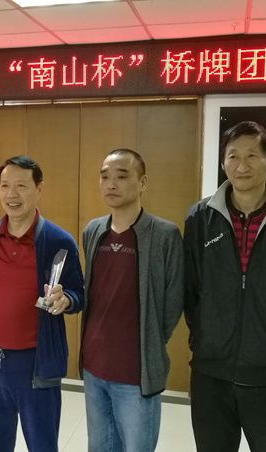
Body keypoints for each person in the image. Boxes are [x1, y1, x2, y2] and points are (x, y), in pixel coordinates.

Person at [183, 121, 266, 452]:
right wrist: (207, 340)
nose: (241, 165)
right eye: (233, 156)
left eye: (252, 155)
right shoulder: (200, 217)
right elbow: (191, 292)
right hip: (211, 375)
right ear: (223, 162)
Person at [0, 155, 84, 452]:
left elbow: (78, 294)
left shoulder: (58, 241)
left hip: (36, 364)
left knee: (42, 444)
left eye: (21, 186)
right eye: (5, 185)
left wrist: (66, 299)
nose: (12, 194)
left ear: (39, 188)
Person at [81, 149, 184, 451]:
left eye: (122, 176)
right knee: (99, 447)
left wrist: (150, 340)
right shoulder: (93, 230)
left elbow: (173, 301)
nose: (111, 184)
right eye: (105, 177)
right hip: (94, 367)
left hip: (136, 374)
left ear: (142, 183)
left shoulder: (164, 234)